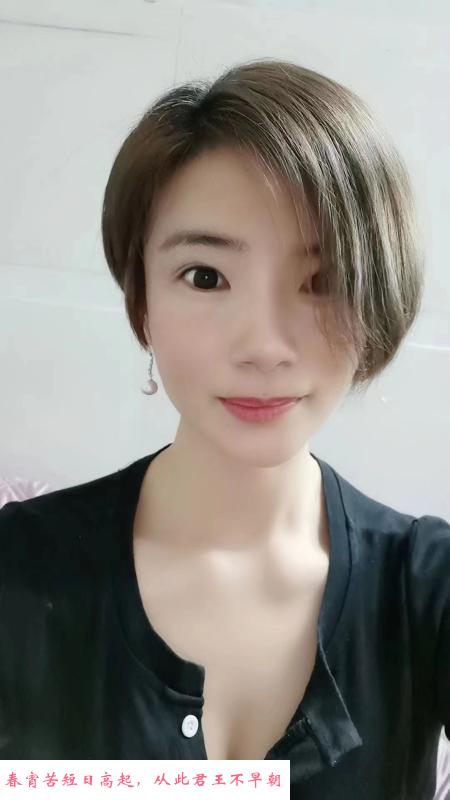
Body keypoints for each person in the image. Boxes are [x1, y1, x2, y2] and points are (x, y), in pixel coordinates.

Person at [0, 57, 448, 799]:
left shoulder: (423, 587)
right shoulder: (19, 566)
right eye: (206, 276)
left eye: (320, 281)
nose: (264, 346)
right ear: (142, 299)